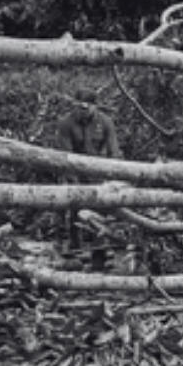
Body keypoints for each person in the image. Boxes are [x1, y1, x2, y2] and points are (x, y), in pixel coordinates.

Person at [55, 86, 120, 250]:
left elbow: (113, 151)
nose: (81, 111)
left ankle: (100, 250)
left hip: (100, 172)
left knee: (102, 212)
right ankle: (75, 245)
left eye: (85, 108)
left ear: (94, 106)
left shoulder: (105, 122)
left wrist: (111, 177)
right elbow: (65, 155)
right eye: (78, 107)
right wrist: (73, 181)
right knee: (75, 209)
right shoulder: (66, 123)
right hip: (76, 173)